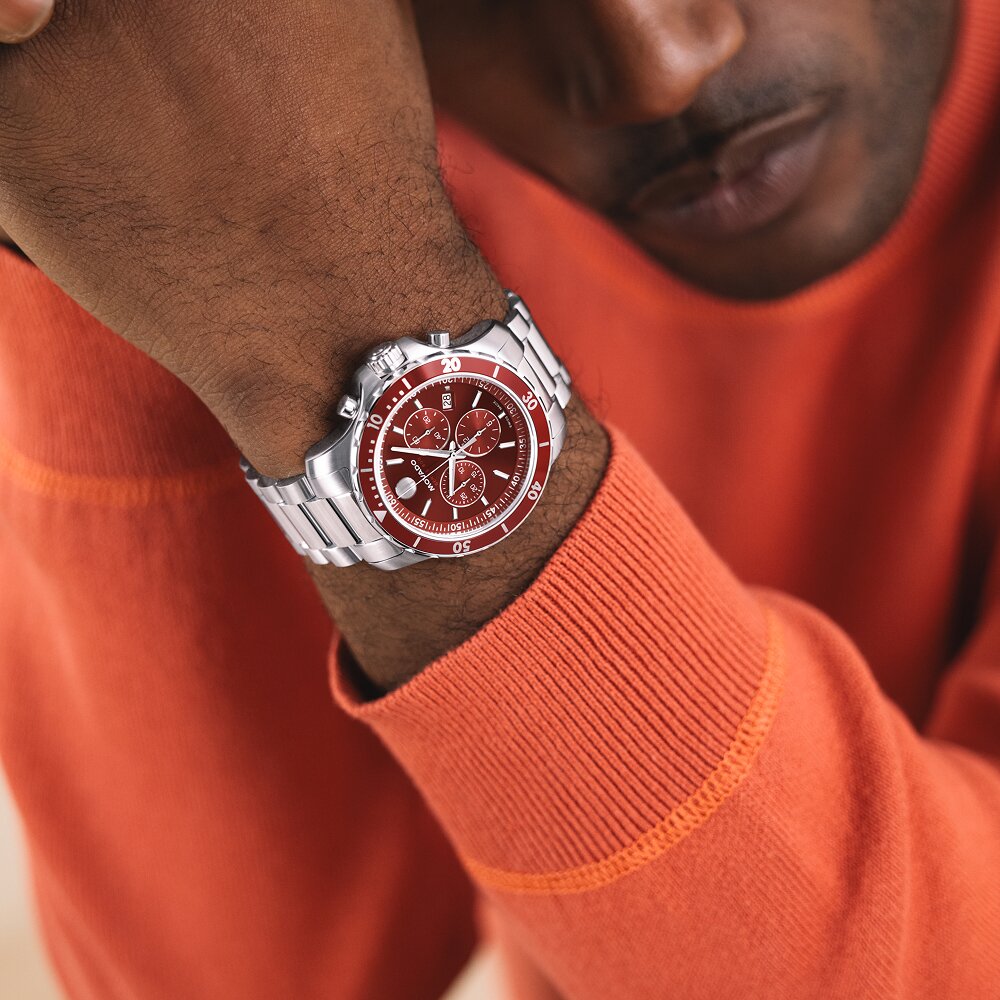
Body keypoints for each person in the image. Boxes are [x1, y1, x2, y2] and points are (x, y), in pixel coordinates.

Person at [0, 0, 997, 997]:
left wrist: (340, 301)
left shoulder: (333, 209)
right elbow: (252, 973)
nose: (660, 70)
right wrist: (87, 162)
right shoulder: (306, 114)